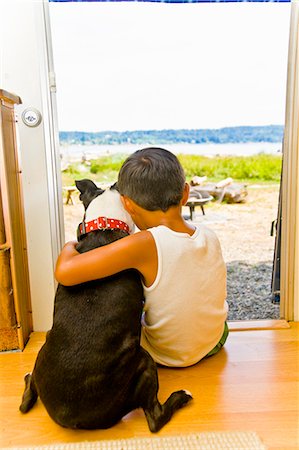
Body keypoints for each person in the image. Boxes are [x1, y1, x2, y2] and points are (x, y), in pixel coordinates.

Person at [55, 147, 228, 367]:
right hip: (214, 342)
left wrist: (71, 244)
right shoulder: (209, 234)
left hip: (164, 355)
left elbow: (65, 272)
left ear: (126, 204)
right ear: (185, 193)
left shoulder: (145, 243)